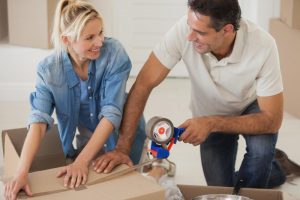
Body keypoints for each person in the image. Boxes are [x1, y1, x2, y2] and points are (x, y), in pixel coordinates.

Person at [96, 0, 289, 188]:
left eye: (200, 32)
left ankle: (266, 165)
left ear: (227, 30)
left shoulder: (263, 45)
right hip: (209, 109)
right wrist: (122, 148)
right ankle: (276, 170)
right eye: (190, 26)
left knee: (261, 153)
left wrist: (211, 123)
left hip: (251, 108)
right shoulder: (184, 31)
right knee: (219, 188)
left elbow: (272, 120)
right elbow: (143, 84)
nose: (189, 36)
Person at [4, 0, 145, 199]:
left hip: (123, 133)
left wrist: (81, 162)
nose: (100, 42)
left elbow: (112, 112)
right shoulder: (48, 70)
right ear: (66, 40)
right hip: (89, 138)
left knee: (131, 189)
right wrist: (21, 173)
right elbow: (38, 120)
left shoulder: (114, 53)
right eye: (90, 37)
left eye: (101, 32)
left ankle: (158, 170)